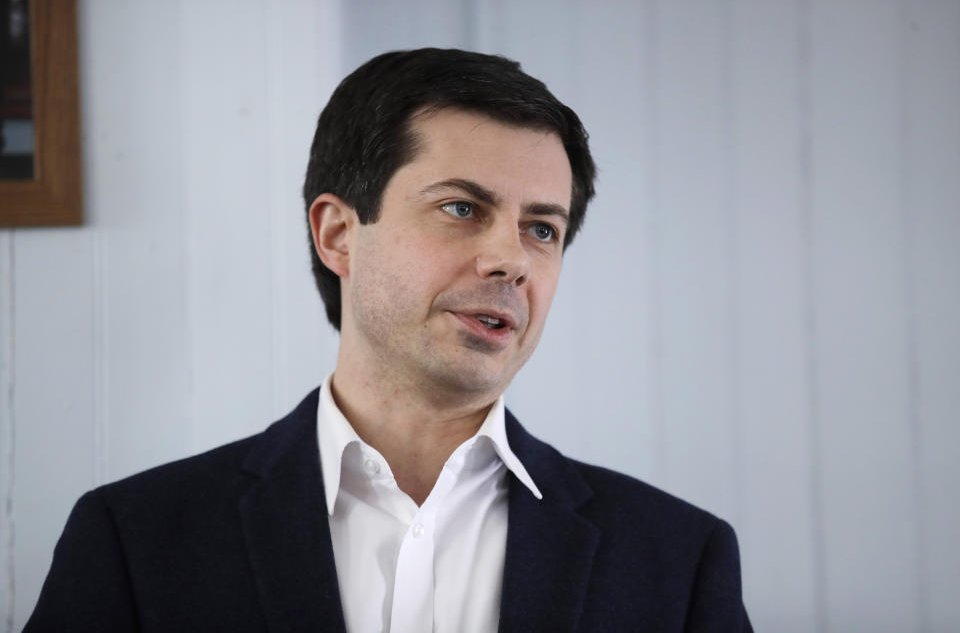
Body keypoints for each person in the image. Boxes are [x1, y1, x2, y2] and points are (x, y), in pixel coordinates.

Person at [26, 48, 752, 632]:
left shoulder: (679, 558)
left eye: (543, 229)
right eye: (463, 208)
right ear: (339, 234)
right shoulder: (135, 539)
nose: (513, 259)